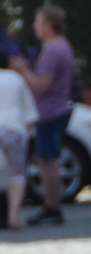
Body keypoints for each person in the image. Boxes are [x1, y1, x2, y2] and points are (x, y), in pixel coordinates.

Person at [14, 4, 74, 226]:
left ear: (48, 24)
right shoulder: (62, 46)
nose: (34, 25)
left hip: (49, 112)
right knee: (47, 160)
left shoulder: (52, 50)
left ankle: (52, 208)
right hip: (56, 110)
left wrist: (22, 69)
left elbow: (41, 86)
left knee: (47, 161)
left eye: (37, 21)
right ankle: (52, 207)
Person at [0, 48, 37, 229]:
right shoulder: (17, 79)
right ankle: (13, 216)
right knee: (17, 174)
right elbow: (31, 116)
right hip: (14, 130)